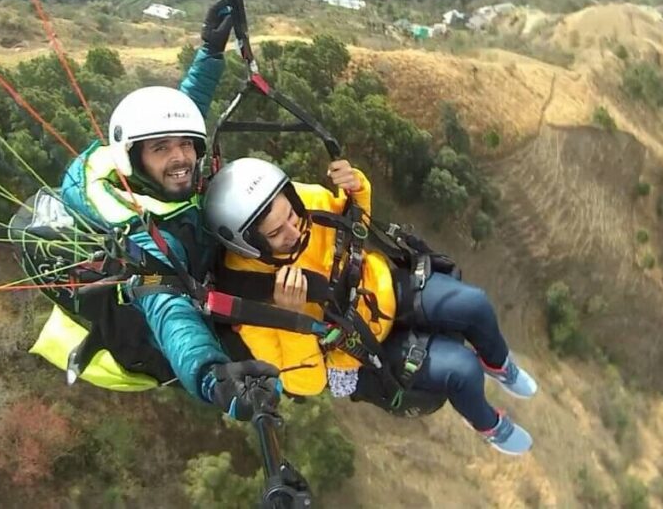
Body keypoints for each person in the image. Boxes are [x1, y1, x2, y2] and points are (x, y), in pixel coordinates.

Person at [40, 0, 280, 420]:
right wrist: (212, 377)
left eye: (186, 144)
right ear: (135, 159)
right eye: (162, 149)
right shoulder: (145, 242)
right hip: (168, 324)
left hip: (200, 271)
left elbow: (179, 115)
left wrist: (210, 52)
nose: (180, 157)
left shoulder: (151, 177)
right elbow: (168, 307)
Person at [203, 157, 538, 455]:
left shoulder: (305, 202)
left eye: (291, 216)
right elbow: (305, 384)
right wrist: (292, 318)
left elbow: (354, 224)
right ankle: (489, 425)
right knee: (462, 370)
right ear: (250, 244)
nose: (294, 231)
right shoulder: (250, 306)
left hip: (377, 291)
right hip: (356, 352)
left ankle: (498, 364)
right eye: (277, 233)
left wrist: (357, 186)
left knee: (474, 304)